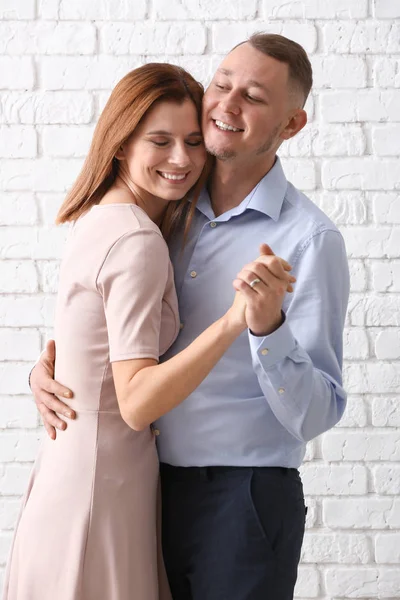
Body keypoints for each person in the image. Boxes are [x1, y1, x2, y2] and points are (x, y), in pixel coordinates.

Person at [28, 34, 349, 600]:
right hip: (146, 486)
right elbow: (113, 325)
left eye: (252, 96)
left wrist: (264, 327)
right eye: (221, 85)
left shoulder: (309, 239)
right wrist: (52, 371)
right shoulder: (163, 208)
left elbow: (317, 412)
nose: (228, 105)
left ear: (293, 125)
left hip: (242, 501)